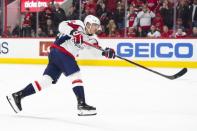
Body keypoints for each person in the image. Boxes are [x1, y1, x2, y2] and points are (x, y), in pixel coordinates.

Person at [6, 15, 115, 116]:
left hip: (57, 55)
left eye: (97, 26)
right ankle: (81, 105)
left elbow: (95, 51)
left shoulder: (92, 39)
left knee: (47, 80)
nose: (95, 28)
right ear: (87, 24)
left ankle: (17, 96)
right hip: (61, 50)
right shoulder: (78, 25)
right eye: (94, 25)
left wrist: (105, 53)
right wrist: (74, 32)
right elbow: (62, 25)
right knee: (75, 75)